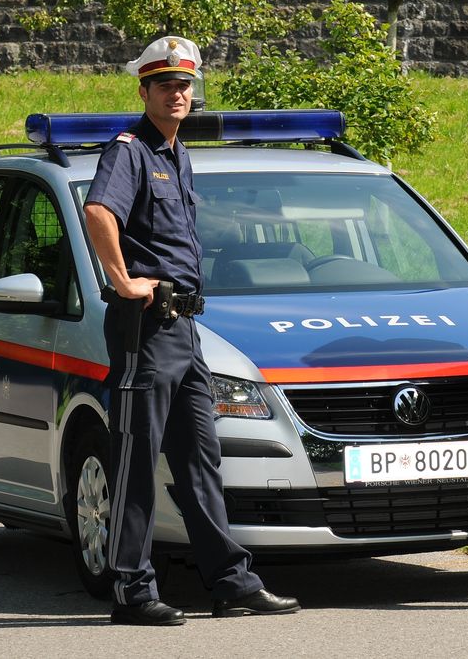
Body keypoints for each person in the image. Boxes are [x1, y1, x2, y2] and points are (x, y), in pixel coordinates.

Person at [84, 36, 300, 626]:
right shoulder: (129, 150)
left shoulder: (177, 152)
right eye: (165, 85)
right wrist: (123, 280)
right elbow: (99, 212)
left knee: (201, 458)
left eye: (185, 85)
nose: (177, 93)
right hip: (145, 328)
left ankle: (230, 582)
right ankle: (130, 586)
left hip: (184, 329)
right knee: (134, 458)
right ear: (144, 91)